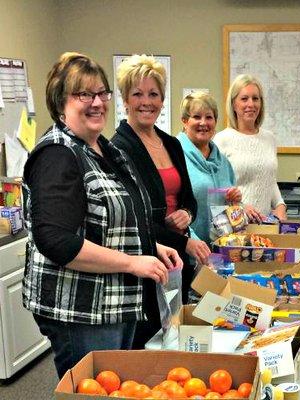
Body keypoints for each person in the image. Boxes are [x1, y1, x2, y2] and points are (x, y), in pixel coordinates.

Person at [22, 52, 182, 379]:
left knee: (115, 387)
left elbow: (120, 218)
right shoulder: (58, 154)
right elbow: (57, 241)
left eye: (101, 93)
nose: (96, 102)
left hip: (114, 304)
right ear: (60, 101)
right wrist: (132, 262)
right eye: (84, 94)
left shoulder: (103, 149)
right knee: (92, 391)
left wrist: (150, 246)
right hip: (82, 311)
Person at [111, 55, 211, 331]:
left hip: (179, 258)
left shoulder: (171, 143)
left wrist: (187, 214)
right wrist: (185, 243)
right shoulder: (118, 149)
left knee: (178, 331)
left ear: (162, 99)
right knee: (152, 341)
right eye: (137, 94)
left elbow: (189, 197)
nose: (147, 101)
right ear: (125, 100)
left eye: (153, 94)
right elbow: (133, 217)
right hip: (146, 261)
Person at [214, 74, 287, 222]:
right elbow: (216, 188)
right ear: (234, 104)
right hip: (235, 226)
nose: (251, 104)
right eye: (244, 98)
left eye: (255, 98)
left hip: (266, 226)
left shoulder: (270, 139)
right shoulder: (222, 140)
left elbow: (270, 180)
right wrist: (241, 206)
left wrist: (280, 205)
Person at [177, 91, 242, 246]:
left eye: (209, 117)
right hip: (187, 251)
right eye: (197, 116)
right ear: (185, 121)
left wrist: (235, 202)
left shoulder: (223, 162)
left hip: (221, 252)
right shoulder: (174, 155)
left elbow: (232, 211)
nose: (203, 123)